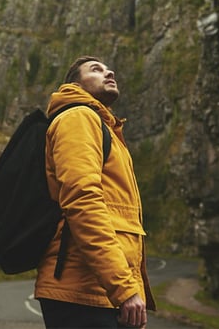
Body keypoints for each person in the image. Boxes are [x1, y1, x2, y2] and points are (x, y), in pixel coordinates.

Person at [35, 56, 156, 328]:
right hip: (84, 293)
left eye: (108, 68)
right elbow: (82, 202)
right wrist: (123, 288)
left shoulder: (105, 128)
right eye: (95, 69)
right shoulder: (79, 117)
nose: (109, 71)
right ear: (75, 85)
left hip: (100, 291)